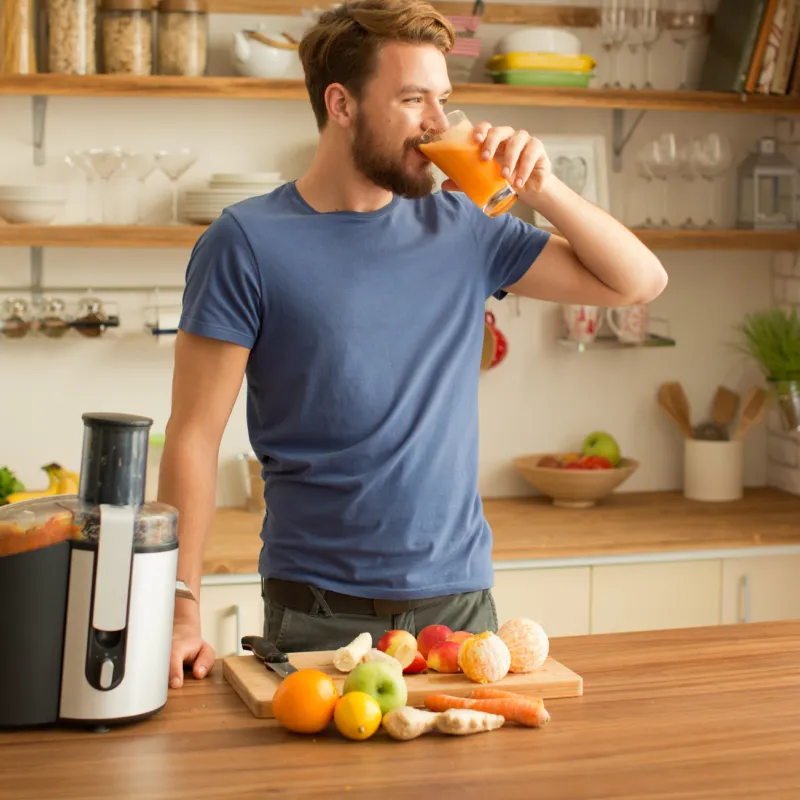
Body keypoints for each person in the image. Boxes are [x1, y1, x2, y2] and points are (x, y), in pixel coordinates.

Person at [162, 0, 667, 689]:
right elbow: (193, 435)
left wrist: (541, 189)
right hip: (317, 613)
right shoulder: (244, 243)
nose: (437, 122)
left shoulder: (464, 227)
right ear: (341, 104)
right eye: (412, 99)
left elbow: (639, 282)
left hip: (460, 612)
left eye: (444, 100)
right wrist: (181, 608)